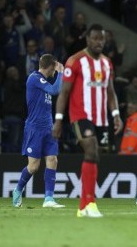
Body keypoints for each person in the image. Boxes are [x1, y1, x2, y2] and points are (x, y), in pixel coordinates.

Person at [52, 24, 123, 218]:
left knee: (95, 156)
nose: (99, 42)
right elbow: (64, 93)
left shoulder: (107, 63)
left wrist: (116, 114)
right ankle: (90, 203)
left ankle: (83, 207)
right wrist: (58, 120)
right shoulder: (75, 61)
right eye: (95, 38)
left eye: (102, 38)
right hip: (80, 116)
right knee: (91, 149)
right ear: (88, 39)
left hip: (101, 118)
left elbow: (110, 92)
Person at [12, 54, 65, 208]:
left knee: (52, 160)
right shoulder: (34, 78)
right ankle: (18, 189)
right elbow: (55, 90)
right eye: (55, 67)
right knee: (33, 166)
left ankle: (48, 198)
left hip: (48, 128)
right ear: (51, 66)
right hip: (34, 128)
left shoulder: (44, 82)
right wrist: (61, 71)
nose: (55, 70)